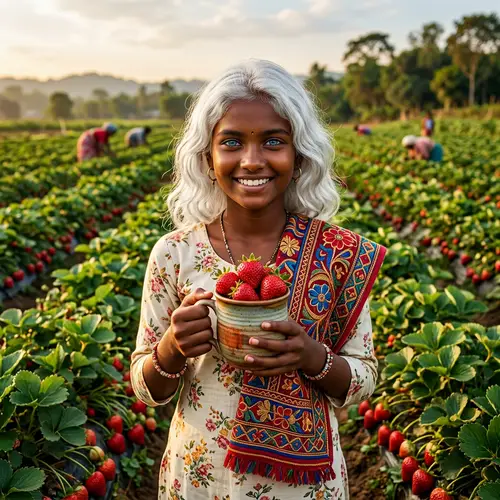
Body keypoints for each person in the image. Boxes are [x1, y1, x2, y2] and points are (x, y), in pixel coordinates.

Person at [130, 59, 386, 499]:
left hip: (303, 486)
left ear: (298, 154)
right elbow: (145, 387)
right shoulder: (174, 253)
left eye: (273, 141)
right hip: (200, 476)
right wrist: (172, 350)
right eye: (231, 142)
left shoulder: (337, 254)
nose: (251, 161)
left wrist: (310, 355)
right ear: (208, 157)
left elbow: (363, 377)